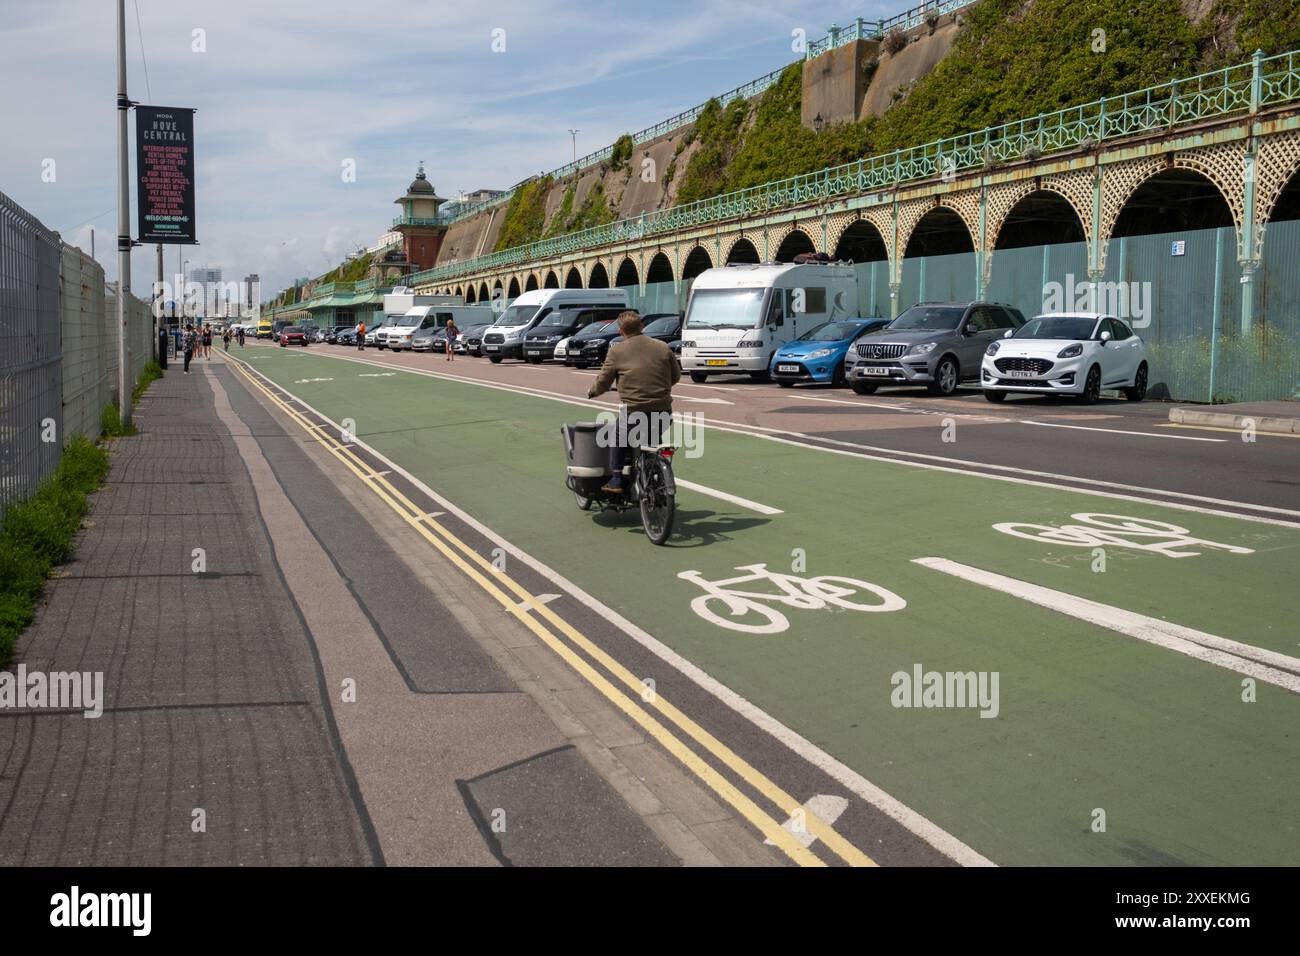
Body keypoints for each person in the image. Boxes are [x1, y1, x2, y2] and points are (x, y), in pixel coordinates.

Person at [587, 310, 679, 494]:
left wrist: (592, 392)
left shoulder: (617, 351)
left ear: (621, 331)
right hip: (663, 412)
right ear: (642, 327)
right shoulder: (662, 346)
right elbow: (675, 376)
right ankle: (656, 476)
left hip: (634, 412)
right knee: (653, 438)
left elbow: (604, 381)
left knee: (617, 434)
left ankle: (617, 478)